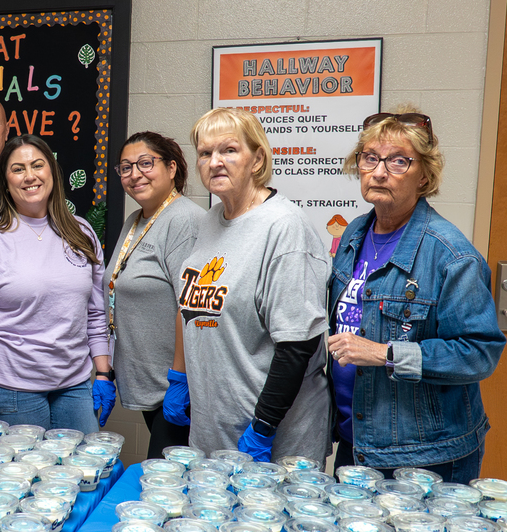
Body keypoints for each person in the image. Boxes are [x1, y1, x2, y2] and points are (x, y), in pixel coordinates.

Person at [327, 109, 504, 482]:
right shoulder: (354, 234)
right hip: (357, 440)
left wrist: (385, 354)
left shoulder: (452, 255)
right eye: (369, 157)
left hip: (423, 456)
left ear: (424, 175)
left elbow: (479, 353)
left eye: (398, 161)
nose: (378, 171)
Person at [164, 108, 330, 464]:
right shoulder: (210, 221)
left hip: (270, 440)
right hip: (214, 430)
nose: (215, 162)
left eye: (228, 150)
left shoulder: (283, 227)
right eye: (205, 153)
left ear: (257, 159)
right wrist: (179, 378)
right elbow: (190, 307)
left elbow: (297, 344)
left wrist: (263, 428)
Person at [0, 134, 110, 433]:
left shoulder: (82, 233)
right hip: (12, 388)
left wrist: (103, 372)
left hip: (74, 386)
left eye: (37, 165)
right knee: (24, 478)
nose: (30, 176)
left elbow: (97, 312)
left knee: (83, 474)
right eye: (18, 169)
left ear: (52, 171)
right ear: (5, 181)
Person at [103, 131, 201, 455]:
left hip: (174, 386)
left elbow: (191, 306)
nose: (135, 174)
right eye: (126, 167)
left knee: (166, 485)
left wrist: (179, 379)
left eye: (146, 163)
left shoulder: (183, 219)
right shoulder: (136, 220)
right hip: (149, 381)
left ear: (172, 168)